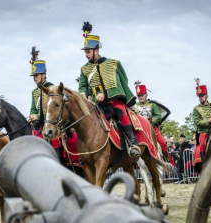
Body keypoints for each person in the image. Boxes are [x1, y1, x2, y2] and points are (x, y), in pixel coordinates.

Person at [78, 22, 139, 158]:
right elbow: (82, 86)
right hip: (94, 103)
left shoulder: (113, 64)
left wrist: (105, 95)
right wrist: (84, 97)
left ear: (96, 50)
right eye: (85, 52)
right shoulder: (84, 69)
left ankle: (132, 143)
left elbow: (121, 81)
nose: (86, 55)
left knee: (122, 113)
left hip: (112, 100)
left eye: (88, 52)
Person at [28, 46, 63, 155]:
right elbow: (33, 109)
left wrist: (37, 116)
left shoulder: (53, 89)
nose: (34, 78)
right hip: (38, 126)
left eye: (36, 75)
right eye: (33, 76)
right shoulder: (34, 92)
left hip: (52, 124)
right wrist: (32, 116)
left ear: (44, 75)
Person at [135, 82, 170, 160]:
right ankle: (133, 162)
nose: (140, 97)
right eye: (139, 96)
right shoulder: (135, 106)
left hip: (152, 129)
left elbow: (158, 116)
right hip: (139, 130)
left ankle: (166, 160)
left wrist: (149, 121)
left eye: (142, 95)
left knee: (163, 143)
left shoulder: (153, 105)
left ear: (146, 95)